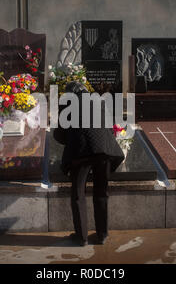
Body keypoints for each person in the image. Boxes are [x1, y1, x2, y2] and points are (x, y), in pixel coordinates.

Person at [54, 82, 125, 246]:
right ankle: (102, 234)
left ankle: (82, 237)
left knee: (78, 193)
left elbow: (61, 132)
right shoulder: (98, 99)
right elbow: (108, 126)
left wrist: (64, 138)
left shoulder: (67, 101)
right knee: (101, 192)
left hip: (82, 151)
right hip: (104, 150)